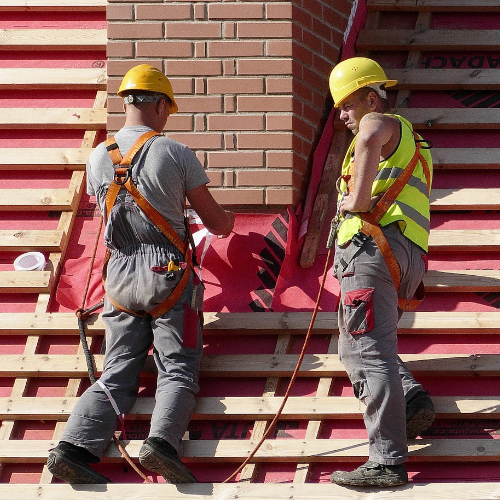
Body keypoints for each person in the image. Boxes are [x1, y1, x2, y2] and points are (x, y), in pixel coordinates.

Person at [47, 64, 234, 484]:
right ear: (161, 104)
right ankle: (162, 444)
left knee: (117, 369)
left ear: (127, 101)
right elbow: (216, 223)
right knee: (178, 366)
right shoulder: (173, 152)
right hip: (165, 272)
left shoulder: (99, 157)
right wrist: (229, 221)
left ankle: (73, 447)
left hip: (119, 278)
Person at [328, 57, 435, 488]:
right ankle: (408, 398)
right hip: (399, 253)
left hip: (372, 252)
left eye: (348, 106)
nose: (343, 117)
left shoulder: (382, 124)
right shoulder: (414, 142)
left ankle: (387, 461)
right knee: (357, 348)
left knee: (366, 352)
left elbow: (371, 130)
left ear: (371, 98)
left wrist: (355, 199)